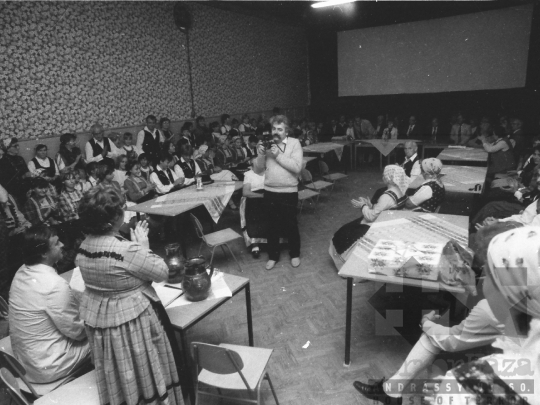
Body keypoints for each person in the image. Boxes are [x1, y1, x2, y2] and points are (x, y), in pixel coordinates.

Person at [353, 223, 519, 405]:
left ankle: (394, 392)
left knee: (437, 354)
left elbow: (452, 340)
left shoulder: (491, 308)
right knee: (436, 338)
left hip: (514, 378)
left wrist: (425, 323)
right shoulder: (524, 281)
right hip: (517, 357)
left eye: (486, 264)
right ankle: (391, 391)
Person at [75, 188, 184, 405]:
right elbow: (162, 272)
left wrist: (135, 248)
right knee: (147, 366)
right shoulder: (126, 250)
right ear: (114, 218)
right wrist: (142, 247)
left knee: (124, 372)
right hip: (133, 322)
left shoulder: (84, 247)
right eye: (121, 209)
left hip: (105, 325)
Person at [424, 225, 540, 405]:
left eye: (488, 274)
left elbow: (452, 340)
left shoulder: (469, 382)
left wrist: (453, 391)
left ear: (506, 290)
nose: (483, 281)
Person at [9, 225, 91, 384]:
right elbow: (78, 332)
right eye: (57, 243)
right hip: (49, 365)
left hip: (27, 362)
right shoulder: (53, 285)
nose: (62, 245)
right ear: (44, 253)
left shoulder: (22, 271)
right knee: (106, 335)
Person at [329, 165, 409, 269]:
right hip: (390, 222)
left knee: (345, 231)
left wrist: (363, 206)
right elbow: (385, 209)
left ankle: (348, 266)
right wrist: (370, 206)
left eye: (384, 175)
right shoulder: (401, 190)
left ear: (389, 178)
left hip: (379, 225)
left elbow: (371, 217)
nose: (383, 177)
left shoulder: (387, 196)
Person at [254, 115, 303, 270]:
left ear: (286, 131)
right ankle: (273, 256)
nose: (276, 132)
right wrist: (261, 154)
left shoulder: (294, 143)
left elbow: (297, 167)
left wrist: (278, 155)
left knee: (291, 224)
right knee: (271, 226)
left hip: (289, 191)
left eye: (280, 129)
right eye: (274, 129)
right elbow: (258, 170)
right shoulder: (266, 143)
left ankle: (294, 254)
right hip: (270, 191)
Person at [240, 157, 268, 258]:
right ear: (252, 165)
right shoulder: (249, 174)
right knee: (254, 214)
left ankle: (272, 241)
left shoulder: (268, 172)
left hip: (268, 196)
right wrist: (261, 196)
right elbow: (245, 192)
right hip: (254, 198)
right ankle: (255, 244)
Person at [0, 138, 32, 204]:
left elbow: (26, 171)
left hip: (26, 187)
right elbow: (6, 181)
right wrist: (23, 176)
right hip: (14, 191)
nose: (18, 148)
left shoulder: (20, 158)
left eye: (18, 145)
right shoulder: (3, 161)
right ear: (8, 148)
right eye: (15, 146)